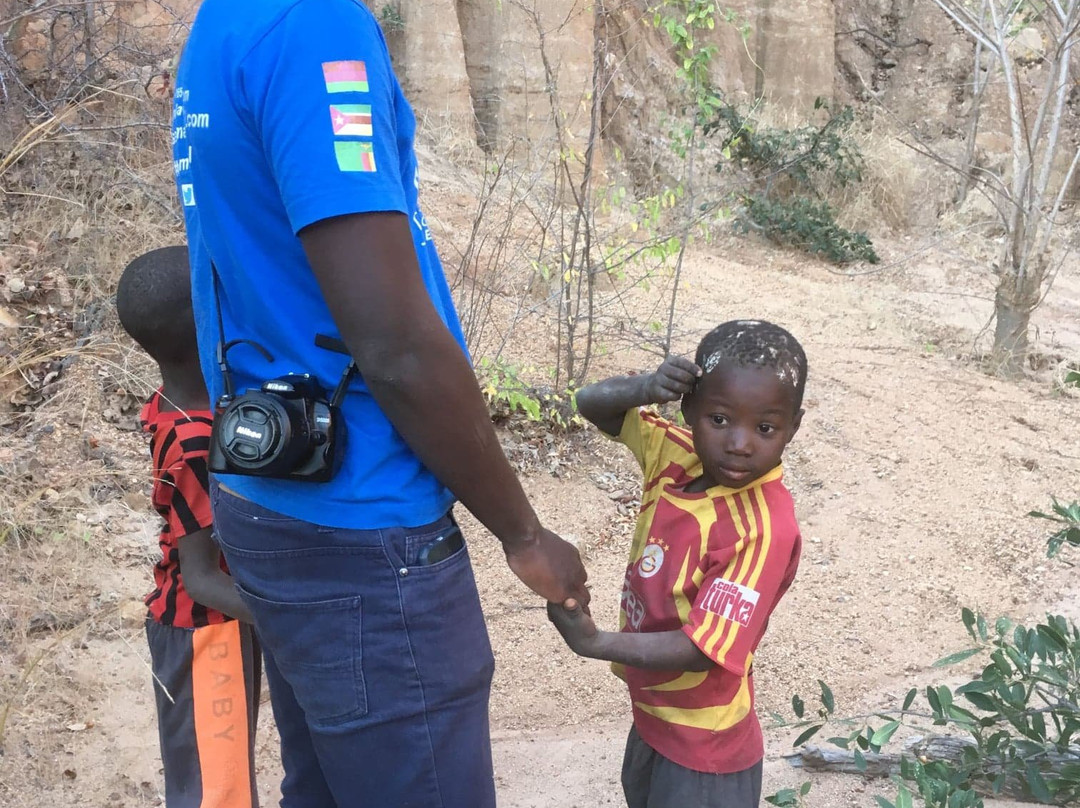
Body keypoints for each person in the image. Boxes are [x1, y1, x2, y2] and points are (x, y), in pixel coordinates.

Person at [169, 1, 590, 805]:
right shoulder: (313, 27)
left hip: (272, 497)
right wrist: (523, 533)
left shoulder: (227, 22)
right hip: (359, 528)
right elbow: (393, 344)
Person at [548, 320, 807, 808]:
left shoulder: (763, 527)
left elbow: (703, 648)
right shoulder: (677, 455)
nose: (739, 443)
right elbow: (590, 404)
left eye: (765, 427)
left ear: (793, 427)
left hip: (704, 749)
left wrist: (594, 642)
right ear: (688, 406)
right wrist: (646, 387)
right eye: (720, 419)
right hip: (654, 718)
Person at [116, 246, 262, 808]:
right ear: (206, 321)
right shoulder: (196, 441)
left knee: (218, 779)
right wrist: (293, 618)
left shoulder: (175, 406)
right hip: (205, 627)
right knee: (215, 792)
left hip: (216, 621)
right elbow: (200, 576)